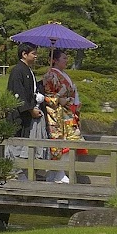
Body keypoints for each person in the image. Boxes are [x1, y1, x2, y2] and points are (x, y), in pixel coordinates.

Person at [42, 48, 83, 183]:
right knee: (59, 143)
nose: (66, 61)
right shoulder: (50, 75)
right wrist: (59, 97)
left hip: (68, 112)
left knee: (70, 141)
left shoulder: (63, 75)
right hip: (56, 114)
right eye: (64, 58)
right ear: (55, 60)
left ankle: (60, 172)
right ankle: (57, 173)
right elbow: (47, 96)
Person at [5, 43, 46, 178]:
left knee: (25, 143)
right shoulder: (18, 71)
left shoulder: (27, 71)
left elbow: (30, 91)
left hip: (27, 116)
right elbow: (18, 94)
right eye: (33, 53)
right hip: (18, 116)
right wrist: (29, 110)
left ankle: (23, 172)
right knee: (16, 144)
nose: (36, 56)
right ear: (24, 54)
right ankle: (13, 173)